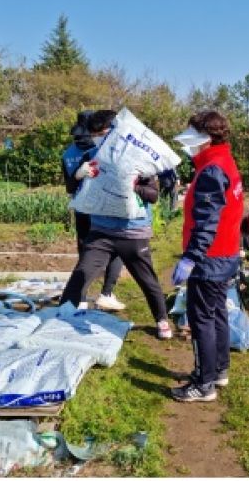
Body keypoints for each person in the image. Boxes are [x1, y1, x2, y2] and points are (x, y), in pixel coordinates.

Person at [60, 110, 172, 340]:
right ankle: (61, 317)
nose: (98, 139)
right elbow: (71, 188)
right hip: (100, 231)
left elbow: (152, 195)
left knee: (146, 278)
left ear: (115, 133)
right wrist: (80, 175)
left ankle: (162, 320)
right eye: (94, 135)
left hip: (133, 231)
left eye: (101, 134)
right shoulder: (91, 156)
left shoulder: (137, 159)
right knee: (82, 273)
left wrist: (135, 186)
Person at [170, 110, 244, 402]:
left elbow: (206, 222)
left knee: (201, 319)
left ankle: (204, 384)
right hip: (225, 254)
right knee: (218, 314)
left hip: (210, 259)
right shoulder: (224, 161)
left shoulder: (212, 170)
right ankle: (219, 370)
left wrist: (191, 257)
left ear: (204, 139)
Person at [61, 110, 125, 311]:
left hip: (87, 209)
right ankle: (100, 293)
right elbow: (71, 187)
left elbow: (70, 187)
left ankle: (88, 296)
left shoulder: (70, 153)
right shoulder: (96, 152)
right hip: (95, 210)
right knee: (111, 250)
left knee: (88, 252)